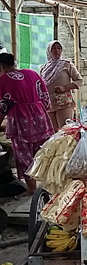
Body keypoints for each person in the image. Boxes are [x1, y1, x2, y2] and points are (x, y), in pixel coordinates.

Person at [0, 53, 54, 197]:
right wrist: (41, 109)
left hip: (21, 119)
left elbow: (3, 106)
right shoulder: (32, 73)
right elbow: (44, 96)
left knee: (24, 155)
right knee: (42, 152)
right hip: (40, 117)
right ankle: (48, 186)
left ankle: (31, 189)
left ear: (2, 66)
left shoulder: (4, 80)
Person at [40, 41, 83, 131]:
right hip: (48, 103)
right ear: (48, 51)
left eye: (59, 48)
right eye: (54, 48)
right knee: (52, 132)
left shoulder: (66, 64)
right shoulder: (43, 68)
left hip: (64, 101)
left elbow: (79, 81)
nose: (57, 50)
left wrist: (64, 88)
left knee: (65, 130)